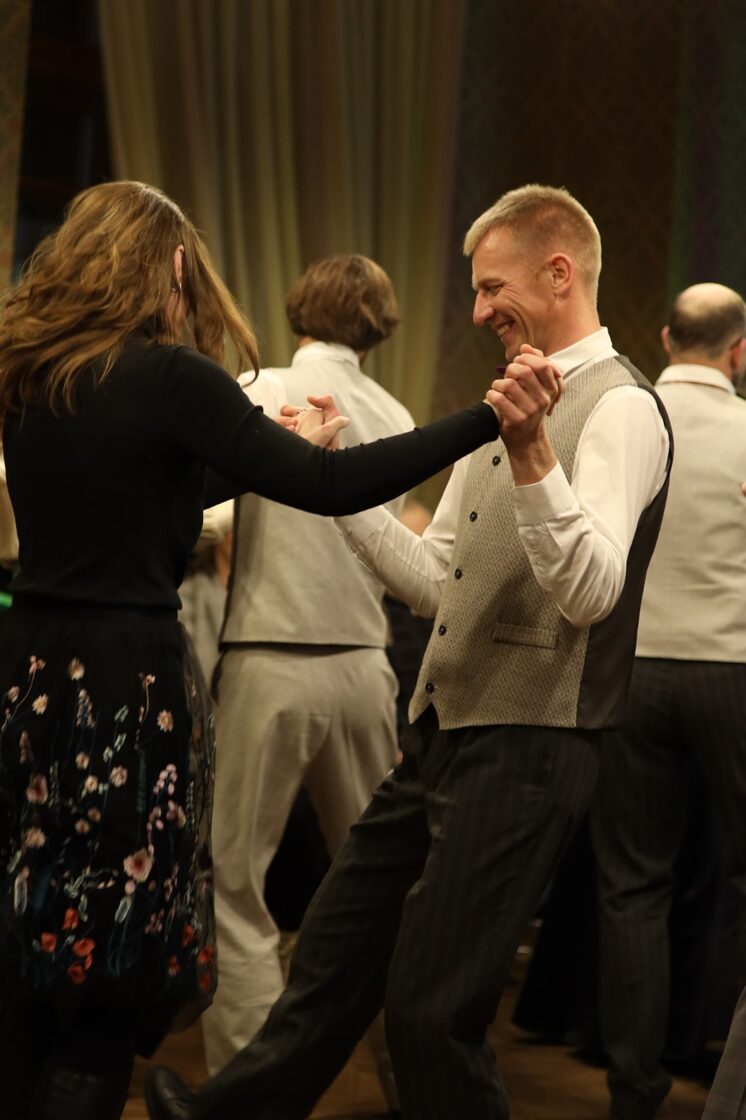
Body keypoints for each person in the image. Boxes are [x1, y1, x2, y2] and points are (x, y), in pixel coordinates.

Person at [146, 183, 672, 1120]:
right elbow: (437, 581)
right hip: (439, 729)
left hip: (532, 742)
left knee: (432, 1011)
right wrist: (333, 481)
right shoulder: (507, 400)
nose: (477, 311)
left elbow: (593, 593)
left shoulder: (622, 407)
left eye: (491, 287)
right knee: (334, 957)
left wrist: (533, 454)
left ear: (559, 273)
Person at [0, 179, 503, 1120]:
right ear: (173, 263)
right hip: (124, 684)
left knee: (32, 937)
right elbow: (331, 485)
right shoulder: (171, 377)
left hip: (29, 678)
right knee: (111, 970)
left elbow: (136, 493)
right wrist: (487, 416)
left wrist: (246, 452)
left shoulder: (28, 372)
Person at [201, 254, 415, 1115]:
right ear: (379, 325)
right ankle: (411, 1077)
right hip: (364, 665)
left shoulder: (262, 389)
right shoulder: (393, 411)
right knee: (380, 893)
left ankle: (246, 1090)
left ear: (299, 309)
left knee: (234, 884)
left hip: (271, 656)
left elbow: (210, 516)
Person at [590, 283, 746, 1120]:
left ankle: (633, 1092)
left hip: (633, 670)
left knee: (632, 888)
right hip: (732, 667)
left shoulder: (625, 417)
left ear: (664, 337)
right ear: (739, 351)